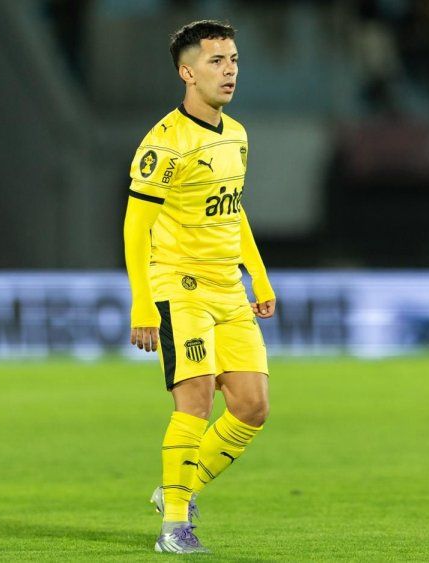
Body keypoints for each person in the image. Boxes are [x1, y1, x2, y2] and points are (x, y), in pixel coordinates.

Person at [122, 20, 276, 554]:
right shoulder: (165, 144)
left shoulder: (236, 134)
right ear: (187, 73)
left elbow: (231, 212)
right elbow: (136, 227)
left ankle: (175, 490)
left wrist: (257, 274)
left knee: (252, 406)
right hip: (179, 286)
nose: (229, 71)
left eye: (233, 60)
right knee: (195, 400)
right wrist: (143, 302)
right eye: (216, 61)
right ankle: (174, 528)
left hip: (227, 287)